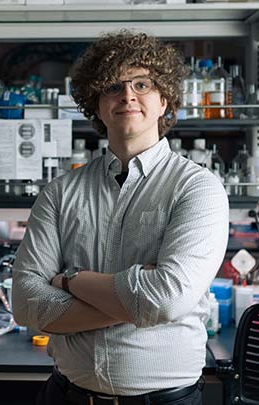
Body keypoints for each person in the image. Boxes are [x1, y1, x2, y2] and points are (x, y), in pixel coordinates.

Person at [12, 30, 229, 405]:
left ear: (164, 101)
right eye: (112, 86)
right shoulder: (61, 192)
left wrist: (69, 281)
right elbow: (27, 304)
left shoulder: (197, 188)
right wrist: (135, 303)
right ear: (95, 104)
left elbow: (165, 299)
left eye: (142, 84)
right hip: (68, 396)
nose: (127, 95)